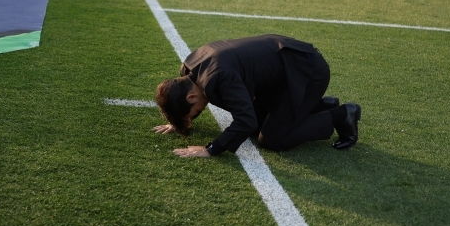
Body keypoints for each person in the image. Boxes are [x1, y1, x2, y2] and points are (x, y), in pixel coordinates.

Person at [153, 35, 362, 156]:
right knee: (261, 122)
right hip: (283, 73)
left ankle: (342, 115)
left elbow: (246, 121)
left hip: (306, 73)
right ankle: (322, 105)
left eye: (191, 114)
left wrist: (211, 149)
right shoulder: (189, 69)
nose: (192, 117)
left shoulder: (218, 78)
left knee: (272, 138)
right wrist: (177, 117)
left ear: (191, 97)